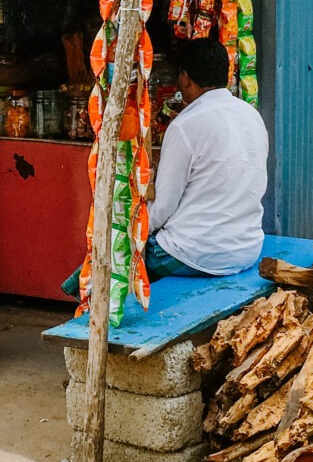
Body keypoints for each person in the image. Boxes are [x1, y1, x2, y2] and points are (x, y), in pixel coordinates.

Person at [62, 39, 267, 295]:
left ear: (185, 79)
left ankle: (77, 306)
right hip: (246, 248)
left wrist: (127, 226)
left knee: (106, 258)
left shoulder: (185, 125)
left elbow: (161, 209)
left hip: (195, 254)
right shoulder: (251, 115)